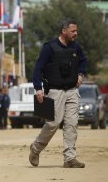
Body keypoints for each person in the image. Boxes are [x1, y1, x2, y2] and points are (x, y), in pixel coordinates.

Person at [29, 18, 87, 168]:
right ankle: (35, 149)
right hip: (55, 91)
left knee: (72, 124)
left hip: (72, 91)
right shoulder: (49, 47)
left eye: (76, 31)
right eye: (73, 31)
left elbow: (83, 61)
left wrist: (81, 74)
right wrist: (38, 88)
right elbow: (38, 69)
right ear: (64, 31)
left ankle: (69, 158)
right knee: (53, 123)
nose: (76, 33)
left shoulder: (76, 47)